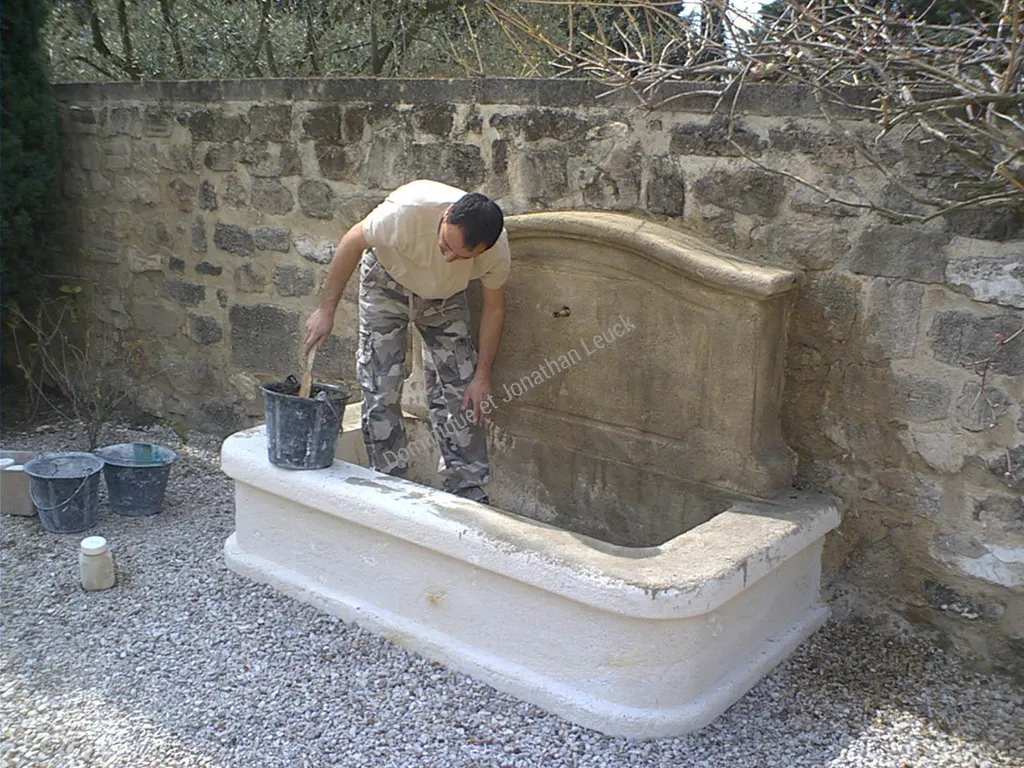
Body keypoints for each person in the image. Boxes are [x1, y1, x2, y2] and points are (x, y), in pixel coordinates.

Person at [303, 180, 510, 503]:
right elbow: (351, 242)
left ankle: (466, 488)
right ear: (447, 215)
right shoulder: (407, 211)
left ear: (482, 250)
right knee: (380, 384)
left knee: (463, 388)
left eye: (459, 255)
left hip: (445, 296)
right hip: (388, 280)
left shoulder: (497, 251)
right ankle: (390, 485)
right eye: (445, 244)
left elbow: (495, 308)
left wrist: (484, 375)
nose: (446, 255)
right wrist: (325, 310)